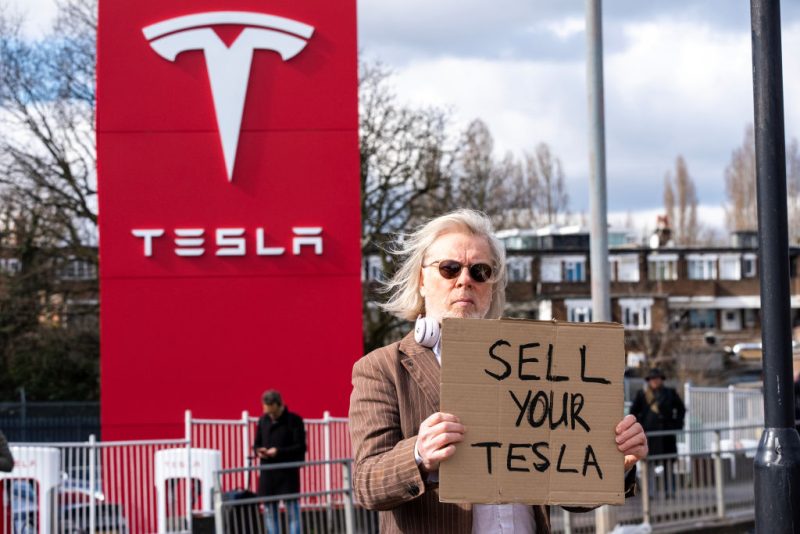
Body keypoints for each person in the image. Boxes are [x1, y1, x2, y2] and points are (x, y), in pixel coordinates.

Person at [349, 209, 648, 534]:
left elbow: (565, 488)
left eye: (480, 271)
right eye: (449, 269)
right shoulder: (381, 369)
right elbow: (366, 483)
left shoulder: (534, 366)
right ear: (422, 280)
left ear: (491, 287)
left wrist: (615, 466)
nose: (465, 280)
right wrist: (419, 454)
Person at [253, 390, 306, 534]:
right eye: (267, 412)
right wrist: (259, 451)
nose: (270, 415)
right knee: (270, 512)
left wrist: (278, 451)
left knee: (292, 511)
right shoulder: (263, 421)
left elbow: (300, 446)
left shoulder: (294, 421)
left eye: (272, 412)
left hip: (287, 474)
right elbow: (256, 443)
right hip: (268, 474)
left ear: (277, 404)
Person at [630, 367, 685, 498]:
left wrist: (676, 425)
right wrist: (640, 428)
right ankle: (650, 493)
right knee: (649, 465)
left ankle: (670, 492)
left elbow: (681, 409)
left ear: (661, 379)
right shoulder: (642, 394)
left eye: (657, 378)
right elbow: (633, 412)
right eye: (652, 379)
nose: (654, 381)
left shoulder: (670, 393)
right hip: (649, 436)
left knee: (668, 464)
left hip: (666, 435)